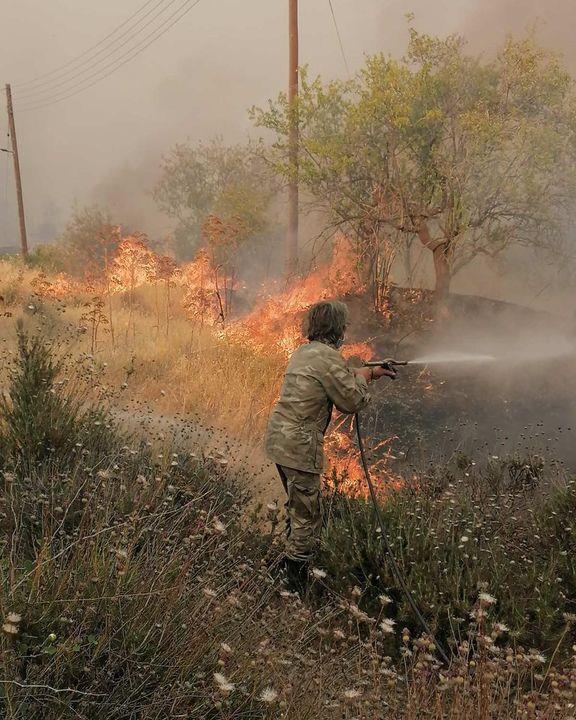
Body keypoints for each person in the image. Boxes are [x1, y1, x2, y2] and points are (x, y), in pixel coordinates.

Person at [265, 299, 395, 591]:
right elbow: (352, 401)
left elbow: (332, 377)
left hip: (280, 441)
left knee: (298, 505)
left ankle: (287, 562)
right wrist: (363, 379)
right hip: (299, 446)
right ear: (337, 328)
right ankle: (293, 582)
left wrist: (368, 372)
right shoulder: (328, 358)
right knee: (307, 514)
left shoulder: (305, 352)